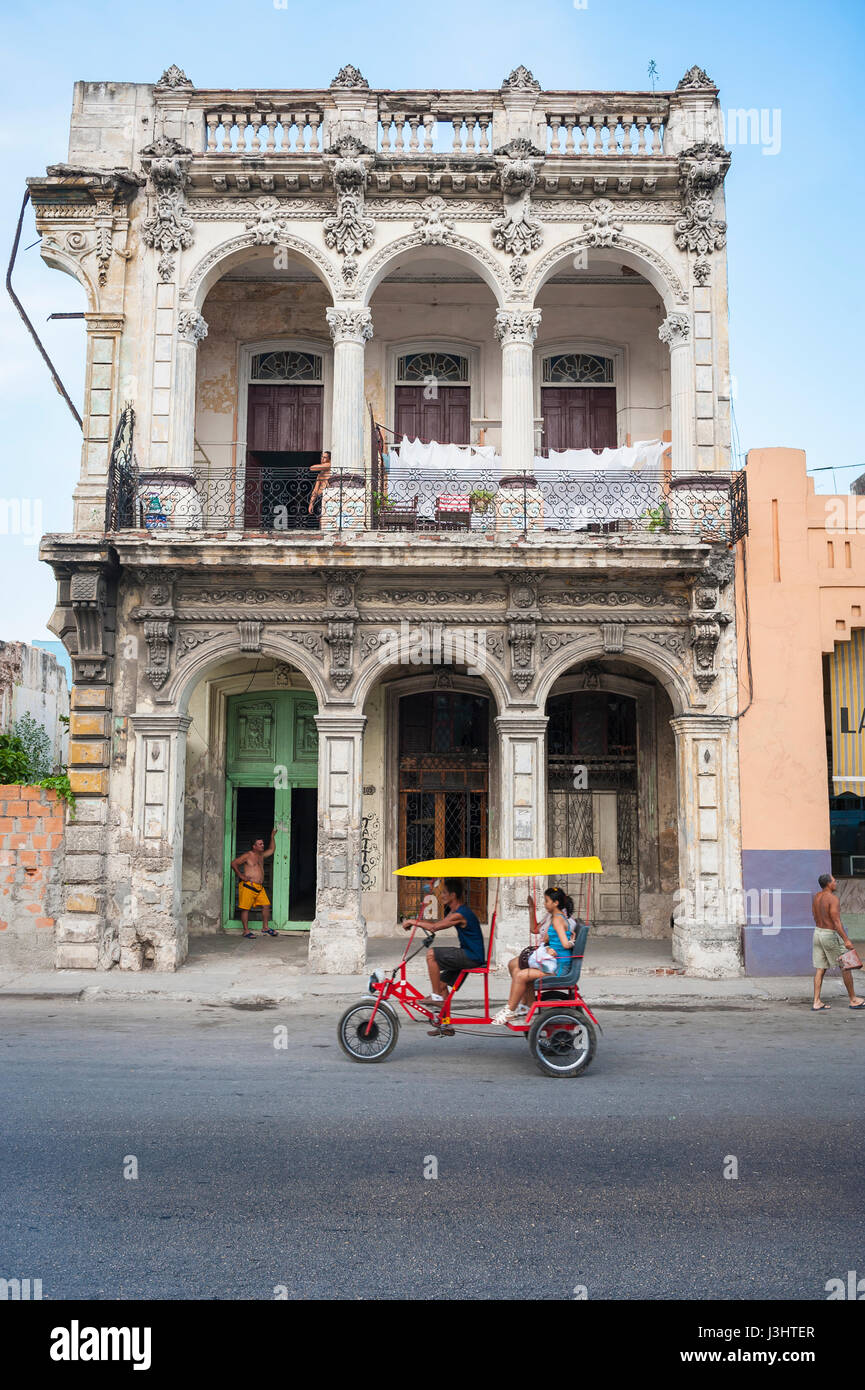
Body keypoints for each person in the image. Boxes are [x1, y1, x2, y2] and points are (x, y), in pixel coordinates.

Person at [494, 887, 575, 1025]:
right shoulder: (556, 917)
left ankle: (509, 1011)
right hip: (554, 962)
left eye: (547, 901)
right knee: (518, 968)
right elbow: (548, 939)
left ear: (555, 903)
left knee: (520, 975)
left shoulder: (557, 919)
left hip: (558, 967)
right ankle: (525, 1004)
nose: (544, 903)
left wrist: (571, 941)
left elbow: (565, 944)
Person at [402, 877, 485, 1010]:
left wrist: (412, 922)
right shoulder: (454, 912)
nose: (441, 896)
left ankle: (436, 997)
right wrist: (416, 921)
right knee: (441, 984)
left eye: (444, 893)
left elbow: (434, 928)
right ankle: (446, 1026)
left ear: (453, 895)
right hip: (469, 954)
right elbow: (436, 925)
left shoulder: (460, 914)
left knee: (431, 954)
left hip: (472, 956)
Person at [811, 872, 864, 1011]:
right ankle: (853, 1000)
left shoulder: (816, 897)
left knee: (820, 968)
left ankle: (816, 1002)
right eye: (834, 881)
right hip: (829, 934)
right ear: (828, 884)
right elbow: (836, 922)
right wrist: (846, 939)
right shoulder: (832, 899)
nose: (836, 883)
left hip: (817, 933)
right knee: (845, 966)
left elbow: (814, 915)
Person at [230, 829, 278, 938]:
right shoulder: (248, 855)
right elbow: (234, 863)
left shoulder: (261, 855)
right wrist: (240, 875)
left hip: (259, 887)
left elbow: (271, 849)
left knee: (266, 905)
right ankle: (246, 931)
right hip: (248, 886)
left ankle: (265, 928)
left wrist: (272, 836)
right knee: (245, 908)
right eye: (260, 844)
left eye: (263, 843)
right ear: (254, 846)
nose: (262, 845)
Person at [308, 450, 332, 515]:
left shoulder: (330, 465)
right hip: (319, 497)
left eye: (325, 457)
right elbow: (315, 490)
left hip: (327, 496)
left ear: (329, 459)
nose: (322, 459)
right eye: (321, 457)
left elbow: (312, 468)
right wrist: (311, 503)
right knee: (320, 518)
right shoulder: (320, 474)